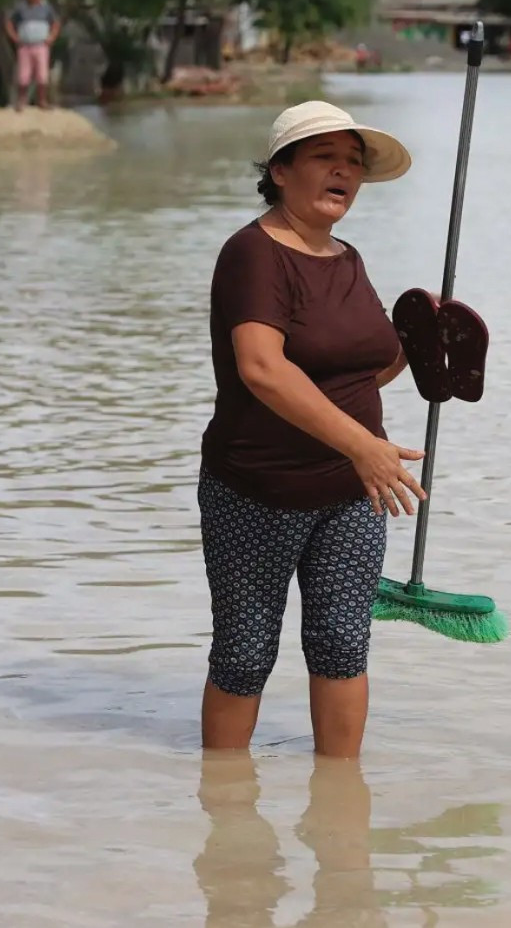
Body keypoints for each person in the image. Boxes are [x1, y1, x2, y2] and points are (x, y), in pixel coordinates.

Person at [198, 100, 422, 758]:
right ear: (281, 169)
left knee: (341, 644)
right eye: (326, 157)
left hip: (352, 492)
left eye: (353, 163)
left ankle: (341, 810)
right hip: (257, 487)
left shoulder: (347, 258)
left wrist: (423, 348)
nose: (343, 172)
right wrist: (364, 445)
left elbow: (358, 374)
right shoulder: (253, 254)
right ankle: (226, 808)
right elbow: (262, 369)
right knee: (244, 652)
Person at [6, 0, 61, 111]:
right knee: (23, 75)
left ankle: (42, 101)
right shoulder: (20, 8)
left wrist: (51, 37)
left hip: (41, 45)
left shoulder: (46, 8)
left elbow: (56, 23)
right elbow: (9, 23)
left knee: (42, 75)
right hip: (25, 46)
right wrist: (14, 38)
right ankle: (21, 101)